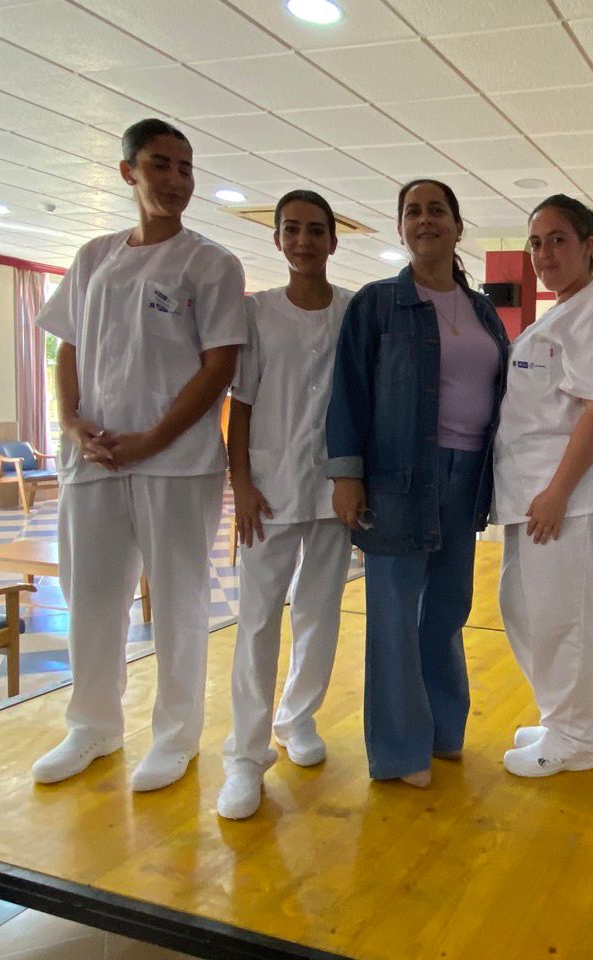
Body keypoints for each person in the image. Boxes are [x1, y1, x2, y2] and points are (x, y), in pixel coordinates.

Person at [32, 118, 246, 791]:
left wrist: (154, 437)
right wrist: (70, 423)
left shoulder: (210, 263)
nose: (177, 180)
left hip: (174, 463)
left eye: (186, 168)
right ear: (129, 172)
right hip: (93, 460)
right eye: (161, 165)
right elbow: (66, 346)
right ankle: (91, 725)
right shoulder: (94, 257)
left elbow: (218, 367)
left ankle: (175, 735)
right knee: (91, 595)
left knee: (179, 600)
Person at [326, 179, 508, 788]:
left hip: (468, 476)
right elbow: (348, 393)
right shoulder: (376, 304)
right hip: (400, 480)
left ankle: (441, 732)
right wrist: (347, 476)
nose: (425, 219)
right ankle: (400, 751)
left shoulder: (482, 309)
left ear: (458, 227)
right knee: (395, 613)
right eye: (413, 212)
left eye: (437, 210)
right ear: (401, 228)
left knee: (448, 610)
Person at [216, 190, 354, 819]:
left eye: (315, 230)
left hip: (333, 492)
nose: (304, 240)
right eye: (292, 230)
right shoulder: (257, 313)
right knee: (258, 619)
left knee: (319, 614)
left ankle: (297, 718)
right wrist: (241, 482)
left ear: (333, 239)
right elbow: (240, 405)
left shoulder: (353, 313)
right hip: (267, 492)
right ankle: (245, 756)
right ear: (276, 240)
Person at [493, 194, 593, 778]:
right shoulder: (560, 313)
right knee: (523, 605)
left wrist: (557, 492)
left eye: (558, 239)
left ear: (589, 246)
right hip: (536, 491)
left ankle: (573, 736)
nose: (544, 252)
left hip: (569, 494)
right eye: (535, 242)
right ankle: (566, 718)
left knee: (561, 617)